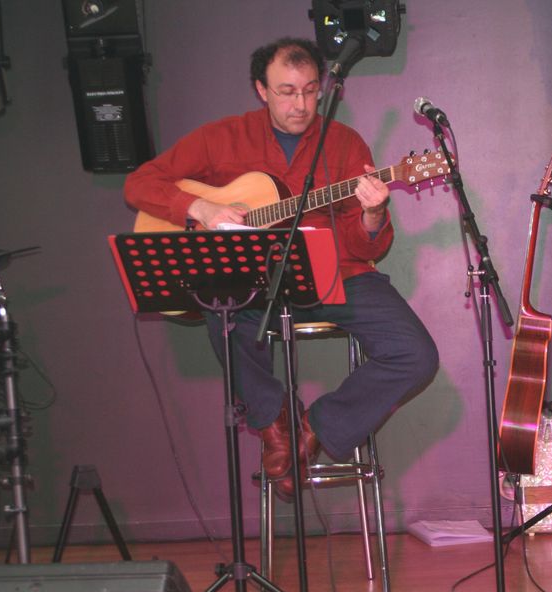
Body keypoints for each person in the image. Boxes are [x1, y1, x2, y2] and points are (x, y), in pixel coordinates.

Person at [125, 37, 438, 501]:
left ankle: (312, 430)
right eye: (287, 91)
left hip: (340, 275)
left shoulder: (345, 143)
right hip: (254, 284)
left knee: (417, 355)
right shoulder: (221, 137)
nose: (301, 104)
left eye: (311, 91)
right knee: (221, 309)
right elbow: (140, 183)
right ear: (261, 90)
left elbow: (361, 241)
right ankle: (273, 424)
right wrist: (201, 209)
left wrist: (373, 214)